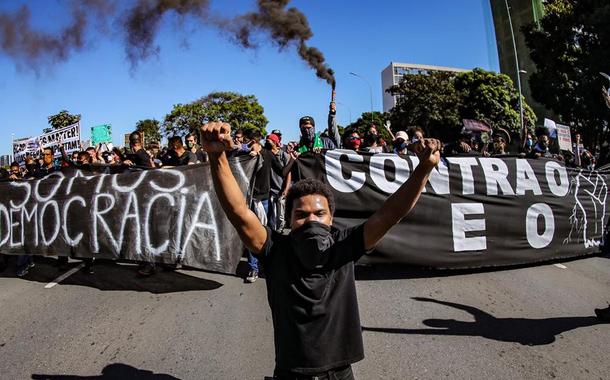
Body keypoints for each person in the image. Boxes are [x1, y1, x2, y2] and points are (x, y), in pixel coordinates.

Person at [200, 121, 440, 379]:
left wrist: (423, 169)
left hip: (340, 373)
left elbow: (390, 214)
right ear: (289, 219)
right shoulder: (274, 249)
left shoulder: (344, 246)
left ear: (331, 218)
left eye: (320, 213)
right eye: (301, 215)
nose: (311, 220)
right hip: (291, 373)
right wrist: (217, 157)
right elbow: (239, 213)